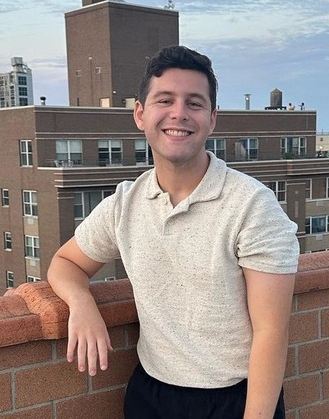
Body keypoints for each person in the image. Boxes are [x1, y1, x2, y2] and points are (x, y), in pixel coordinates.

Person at [46, 45, 299, 418]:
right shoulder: (125, 204)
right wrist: (82, 304)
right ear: (140, 114)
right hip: (151, 395)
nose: (178, 113)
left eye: (194, 103)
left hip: (234, 399)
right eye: (165, 100)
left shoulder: (252, 206)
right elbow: (65, 262)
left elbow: (271, 332)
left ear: (212, 119)